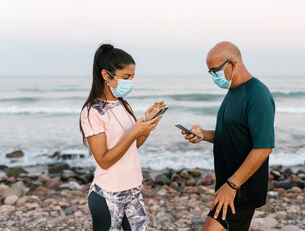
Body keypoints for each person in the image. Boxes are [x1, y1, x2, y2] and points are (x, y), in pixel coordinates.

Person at [181, 41, 275, 231]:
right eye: (210, 72)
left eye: (215, 70)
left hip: (240, 189)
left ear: (232, 64)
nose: (213, 76)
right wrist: (204, 135)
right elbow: (234, 134)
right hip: (230, 185)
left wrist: (231, 186)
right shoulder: (233, 91)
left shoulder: (256, 94)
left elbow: (264, 147)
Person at [80, 44, 166, 231]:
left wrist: (148, 125)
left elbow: (133, 145)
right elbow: (103, 160)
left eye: (132, 77)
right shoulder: (92, 111)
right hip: (108, 194)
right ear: (106, 75)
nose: (130, 82)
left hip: (133, 190)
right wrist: (134, 132)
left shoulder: (122, 104)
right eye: (126, 77)